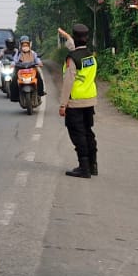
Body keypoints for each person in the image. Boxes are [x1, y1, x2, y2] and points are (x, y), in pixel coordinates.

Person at [57, 24, 98, 179]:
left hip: (75, 102)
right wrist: (66, 35)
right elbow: (73, 44)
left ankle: (84, 168)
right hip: (89, 100)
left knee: (78, 135)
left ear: (75, 39)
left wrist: (63, 104)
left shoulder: (72, 58)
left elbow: (68, 82)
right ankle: (93, 165)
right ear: (86, 38)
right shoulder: (90, 55)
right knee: (88, 132)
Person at [10, 35, 45, 102]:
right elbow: (14, 60)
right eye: (23, 45)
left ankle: (40, 92)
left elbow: (37, 59)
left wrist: (40, 63)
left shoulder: (33, 53)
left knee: (39, 78)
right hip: (20, 69)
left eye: (26, 45)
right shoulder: (18, 53)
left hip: (32, 69)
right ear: (20, 45)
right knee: (13, 80)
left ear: (29, 45)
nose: (25, 47)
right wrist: (12, 64)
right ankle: (14, 96)